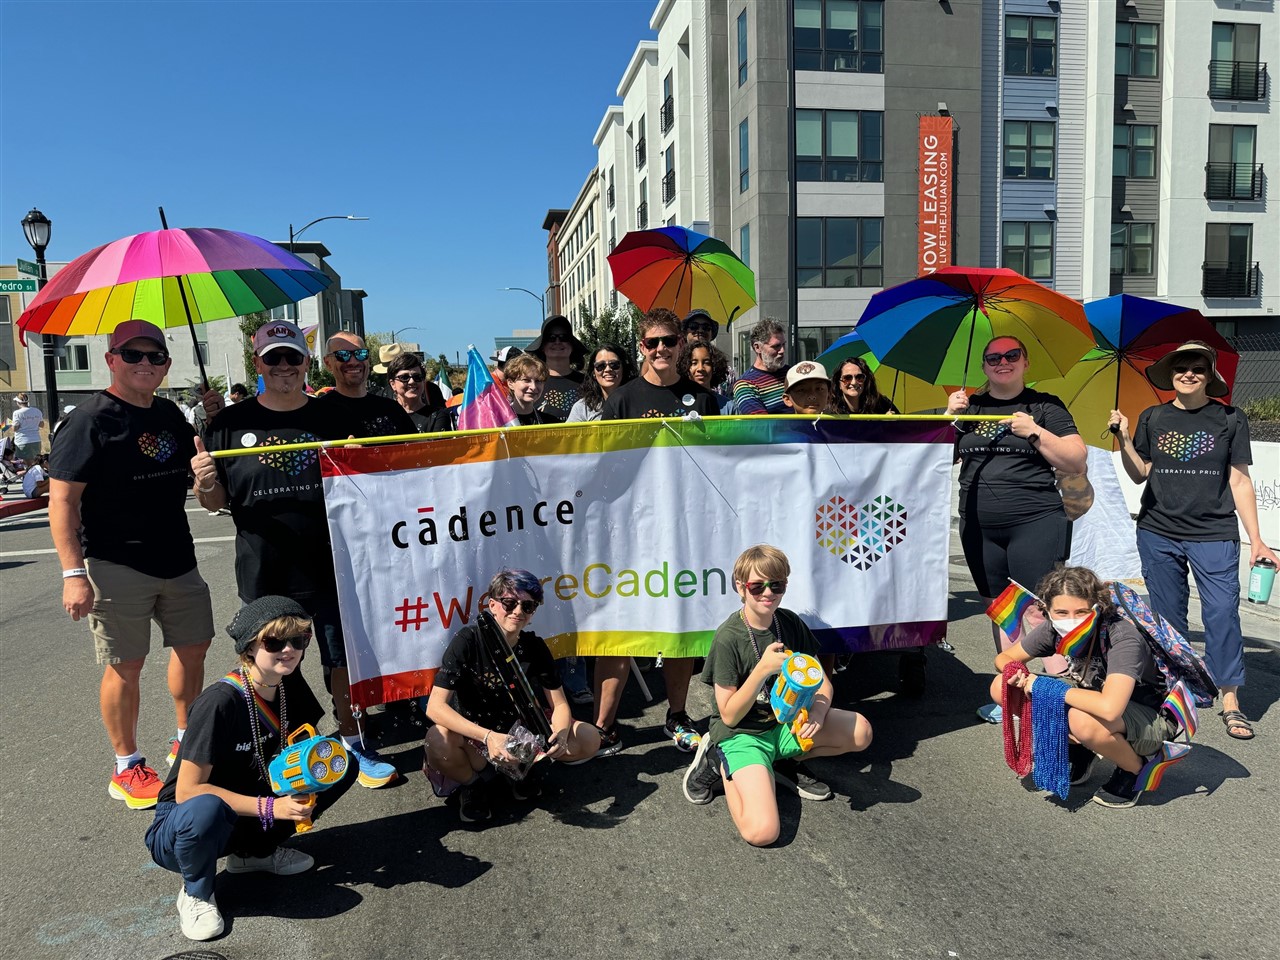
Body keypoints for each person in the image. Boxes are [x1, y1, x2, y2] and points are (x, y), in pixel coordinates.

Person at [193, 320, 399, 788]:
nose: (284, 366)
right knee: (270, 663)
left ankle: (352, 741)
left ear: (306, 362)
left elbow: (364, 483)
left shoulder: (331, 416)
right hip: (265, 566)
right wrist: (205, 483)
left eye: (292, 357)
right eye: (273, 358)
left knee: (341, 659)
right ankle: (280, 750)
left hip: (332, 561)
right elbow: (216, 501)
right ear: (258, 364)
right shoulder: (228, 424)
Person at [48, 320, 221, 809]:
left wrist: (210, 444)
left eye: (156, 356)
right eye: (133, 354)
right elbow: (62, 502)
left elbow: (203, 488)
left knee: (192, 648)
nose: (145, 363)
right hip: (114, 562)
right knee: (126, 664)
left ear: (167, 365)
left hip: (178, 557)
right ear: (111, 360)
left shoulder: (169, 415)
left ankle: (186, 739)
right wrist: (72, 574)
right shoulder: (89, 420)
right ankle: (126, 765)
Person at [145, 596, 356, 940]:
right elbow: (187, 792)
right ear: (249, 647)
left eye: (298, 640)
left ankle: (255, 854)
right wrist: (274, 806)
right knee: (206, 807)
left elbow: (308, 748)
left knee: (339, 764)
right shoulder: (220, 702)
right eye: (274, 642)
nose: (289, 650)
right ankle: (196, 892)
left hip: (249, 804)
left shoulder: (288, 684)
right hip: (185, 821)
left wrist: (306, 784)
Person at [1110, 340, 1276, 741]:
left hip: (1214, 532)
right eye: (1181, 367)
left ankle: (1230, 697)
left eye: (1197, 368)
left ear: (1209, 376)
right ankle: (1180, 687)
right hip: (1157, 531)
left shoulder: (1230, 419)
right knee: (1168, 618)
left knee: (1222, 613)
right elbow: (1140, 474)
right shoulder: (1153, 417)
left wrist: (1258, 540)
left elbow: (1239, 480)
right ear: (1170, 374)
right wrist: (1125, 438)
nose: (1188, 373)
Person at [592, 309, 721, 756]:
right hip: (631, 534)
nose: (661, 349)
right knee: (621, 630)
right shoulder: (621, 401)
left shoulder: (703, 400)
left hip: (686, 533)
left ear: (682, 343)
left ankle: (678, 715)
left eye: (669, 340)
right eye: (652, 342)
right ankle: (603, 726)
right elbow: (602, 469)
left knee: (681, 626)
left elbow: (720, 468)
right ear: (640, 347)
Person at [683, 545, 873, 844]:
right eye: (757, 586)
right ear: (740, 587)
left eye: (777, 585)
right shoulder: (729, 637)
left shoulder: (789, 623)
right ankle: (719, 762)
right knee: (762, 832)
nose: (767, 593)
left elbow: (822, 682)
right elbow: (729, 713)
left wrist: (820, 713)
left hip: (783, 725)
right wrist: (762, 670)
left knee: (861, 732)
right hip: (741, 734)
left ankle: (780, 761)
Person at [945, 336, 1086, 724]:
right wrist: (948, 419)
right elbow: (934, 459)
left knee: (1041, 612)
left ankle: (1063, 696)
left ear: (1025, 362)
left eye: (1011, 355)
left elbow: (1075, 460)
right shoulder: (968, 406)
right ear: (984, 365)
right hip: (978, 525)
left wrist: (1035, 432)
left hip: (1035, 521)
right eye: (993, 357)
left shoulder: (1044, 406)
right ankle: (1012, 694)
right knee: (1002, 610)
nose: (1002, 362)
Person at [990, 565, 1177, 808]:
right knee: (1001, 686)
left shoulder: (1121, 636)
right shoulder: (1052, 628)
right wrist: (1019, 676)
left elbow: (1110, 708)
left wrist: (1045, 688)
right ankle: (1082, 750)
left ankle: (1134, 768)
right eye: (1062, 612)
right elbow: (1003, 660)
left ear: (1097, 607)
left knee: (1080, 719)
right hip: (1094, 697)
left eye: (1081, 611)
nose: (1071, 620)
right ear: (1047, 610)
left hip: (1149, 717)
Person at [425, 569, 601, 822]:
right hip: (476, 736)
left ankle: (515, 773)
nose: (518, 611)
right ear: (492, 604)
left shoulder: (534, 646)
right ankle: (473, 785)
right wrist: (489, 737)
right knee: (436, 740)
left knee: (588, 738)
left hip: (522, 735)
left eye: (527, 606)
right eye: (510, 603)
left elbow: (559, 703)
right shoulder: (468, 640)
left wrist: (560, 736)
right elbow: (435, 708)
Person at [318, 333, 416, 437]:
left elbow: (418, 449)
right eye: (343, 355)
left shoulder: (392, 409)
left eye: (360, 354)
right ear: (328, 363)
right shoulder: (318, 413)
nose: (353, 361)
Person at [528, 315, 587, 420]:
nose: (557, 342)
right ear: (542, 346)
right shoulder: (531, 384)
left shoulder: (589, 382)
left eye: (564, 337)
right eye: (551, 338)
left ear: (572, 345)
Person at [566, 342, 637, 422]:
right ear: (593, 373)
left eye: (614, 364)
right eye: (600, 366)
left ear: (624, 368)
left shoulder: (637, 402)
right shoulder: (583, 408)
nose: (608, 370)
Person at [732, 317, 789, 415]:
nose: (782, 351)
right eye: (776, 346)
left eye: (783, 345)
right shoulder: (746, 384)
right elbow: (761, 424)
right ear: (757, 347)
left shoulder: (792, 373)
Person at [385, 352, 451, 432]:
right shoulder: (384, 417)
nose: (411, 382)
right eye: (404, 377)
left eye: (417, 377)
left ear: (423, 381)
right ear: (393, 384)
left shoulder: (438, 415)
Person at [505, 354, 564, 426]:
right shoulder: (497, 422)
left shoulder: (552, 423)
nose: (533, 387)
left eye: (538, 381)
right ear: (510, 383)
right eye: (526, 380)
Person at [677, 339, 734, 414]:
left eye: (706, 363)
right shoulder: (677, 402)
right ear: (685, 366)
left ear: (715, 366)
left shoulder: (728, 407)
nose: (700, 368)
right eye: (694, 363)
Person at [829, 356, 897, 415]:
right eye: (847, 378)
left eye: (859, 377)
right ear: (839, 384)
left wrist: (888, 423)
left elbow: (902, 427)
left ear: (866, 381)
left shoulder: (882, 404)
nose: (854, 382)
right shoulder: (831, 414)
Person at [12, 392, 45, 463]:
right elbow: (42, 425)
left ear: (18, 402)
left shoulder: (17, 413)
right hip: (36, 440)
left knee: (26, 463)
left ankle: (28, 473)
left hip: (22, 440)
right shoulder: (37, 411)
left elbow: (15, 428)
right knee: (36, 461)